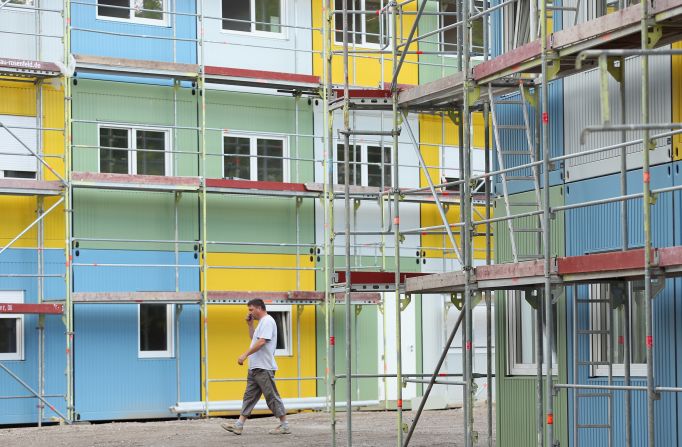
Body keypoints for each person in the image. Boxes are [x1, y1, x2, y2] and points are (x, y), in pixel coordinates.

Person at [221, 299, 290, 435]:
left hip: (264, 367)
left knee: (271, 396)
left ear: (259, 308)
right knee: (249, 397)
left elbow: (262, 342)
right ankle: (239, 425)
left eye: (251, 309)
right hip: (255, 368)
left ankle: (285, 425)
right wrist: (250, 325)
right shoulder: (261, 323)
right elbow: (255, 339)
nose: (250, 312)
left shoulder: (268, 321)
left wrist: (244, 354)